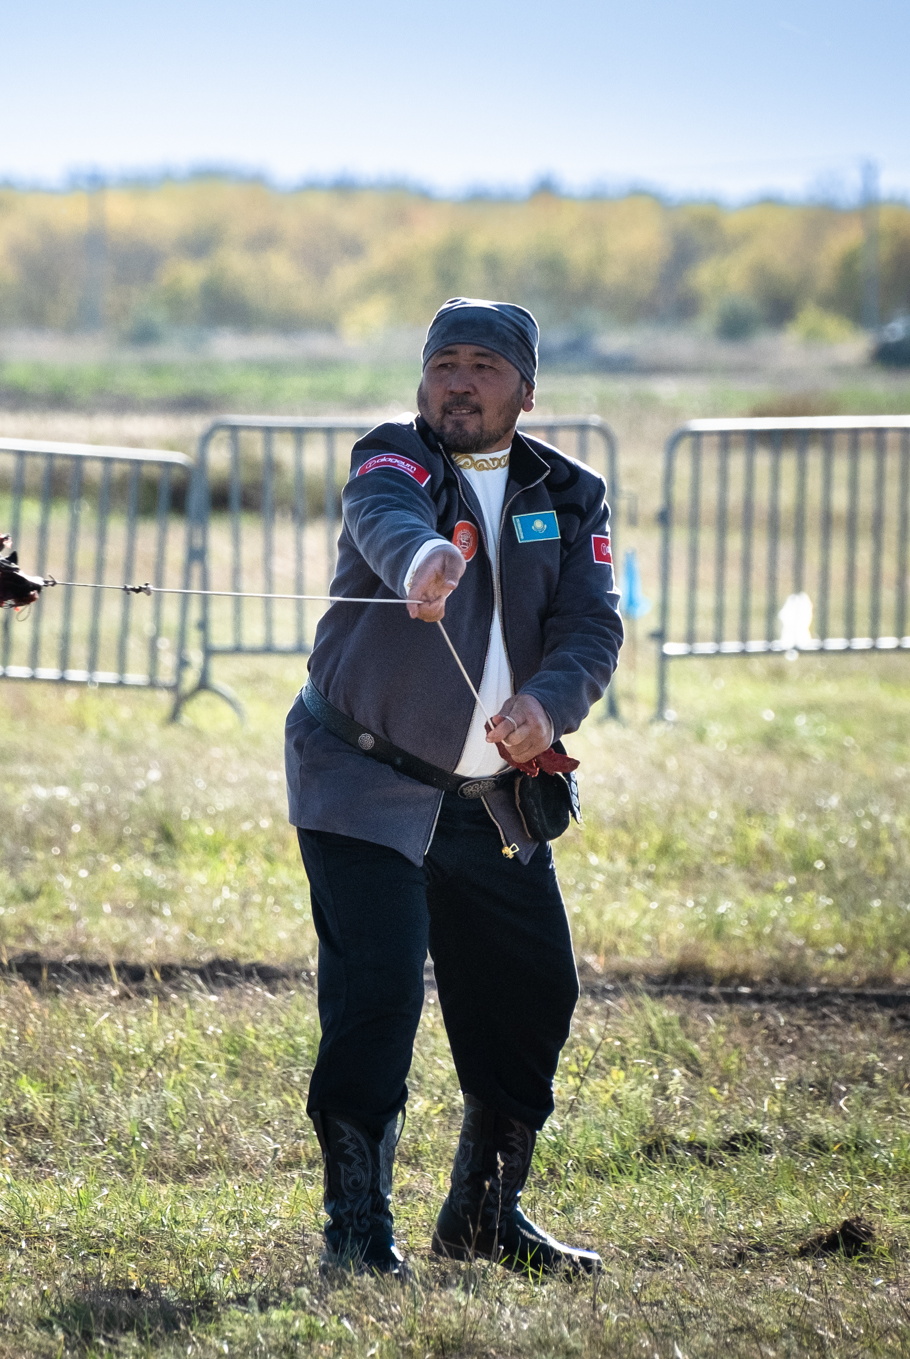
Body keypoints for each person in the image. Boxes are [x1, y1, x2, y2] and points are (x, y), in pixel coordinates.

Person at [284, 297, 623, 1279]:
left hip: (495, 799)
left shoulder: (570, 492)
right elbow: (384, 514)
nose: (458, 383)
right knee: (377, 997)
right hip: (361, 780)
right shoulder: (394, 455)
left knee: (533, 993)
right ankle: (356, 1234)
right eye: (443, 363)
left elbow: (590, 628)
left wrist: (547, 708)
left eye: (482, 366)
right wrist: (426, 558)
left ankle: (482, 1216)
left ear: (526, 390)